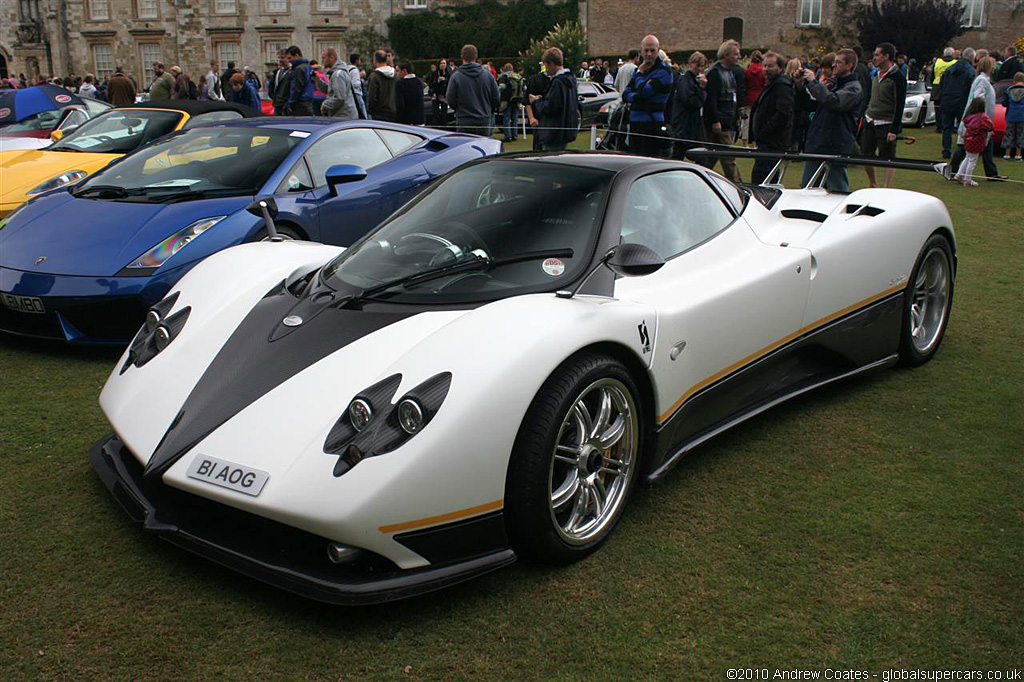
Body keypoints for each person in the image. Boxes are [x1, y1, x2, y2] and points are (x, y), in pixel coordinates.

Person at [799, 48, 864, 192]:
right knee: (807, 189)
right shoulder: (832, 85)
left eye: (838, 62)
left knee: (838, 190)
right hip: (818, 142)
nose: (834, 65)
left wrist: (813, 82)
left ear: (849, 66)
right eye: (834, 62)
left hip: (836, 144)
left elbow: (833, 102)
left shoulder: (853, 88)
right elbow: (812, 105)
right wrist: (800, 85)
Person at [950, 57, 1004, 181]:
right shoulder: (982, 81)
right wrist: (983, 118)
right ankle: (957, 173)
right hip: (978, 123)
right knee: (966, 150)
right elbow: (979, 97)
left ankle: (991, 173)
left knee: (983, 147)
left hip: (980, 121)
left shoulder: (984, 80)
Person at [861, 42, 907, 188]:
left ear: (887, 56)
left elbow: (900, 104)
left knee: (888, 157)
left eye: (877, 55)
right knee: (866, 153)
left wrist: (894, 129)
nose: (874, 58)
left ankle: (887, 187)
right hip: (870, 119)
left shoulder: (897, 77)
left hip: (886, 122)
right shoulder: (875, 74)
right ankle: (873, 183)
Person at [621, 35, 673, 158]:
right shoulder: (639, 71)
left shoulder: (664, 72)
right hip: (635, 124)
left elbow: (645, 92)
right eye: (646, 50)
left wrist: (640, 75)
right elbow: (625, 94)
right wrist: (637, 95)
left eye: (652, 50)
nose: (649, 54)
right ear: (641, 50)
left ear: (659, 49)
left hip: (652, 125)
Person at [749, 52, 794, 185]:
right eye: (765, 66)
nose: (766, 69)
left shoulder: (781, 86)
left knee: (762, 177)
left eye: (770, 66)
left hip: (772, 141)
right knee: (769, 177)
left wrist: (764, 131)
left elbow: (783, 114)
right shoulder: (773, 84)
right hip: (767, 140)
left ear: (780, 68)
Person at [703, 40, 742, 180]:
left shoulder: (728, 72)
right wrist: (715, 120)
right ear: (726, 55)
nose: (739, 57)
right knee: (728, 159)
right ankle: (738, 187)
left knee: (710, 159)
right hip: (719, 122)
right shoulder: (715, 73)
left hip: (725, 120)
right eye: (736, 54)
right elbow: (711, 99)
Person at [528, 47, 579, 151]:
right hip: (565, 131)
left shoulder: (558, 82)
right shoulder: (571, 80)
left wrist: (536, 102)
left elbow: (550, 108)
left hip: (553, 133)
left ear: (551, 64)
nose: (545, 70)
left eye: (546, 66)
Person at [446, 44, 500, 136]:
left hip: (464, 120)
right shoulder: (488, 75)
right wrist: (488, 109)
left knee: (466, 149)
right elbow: (496, 97)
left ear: (462, 56)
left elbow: (450, 100)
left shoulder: (456, 77)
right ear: (476, 56)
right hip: (483, 119)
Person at [668, 51, 708, 161]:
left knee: (700, 157)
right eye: (697, 65)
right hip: (685, 126)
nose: (699, 68)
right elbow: (692, 102)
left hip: (692, 126)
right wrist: (702, 89)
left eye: (702, 66)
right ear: (690, 64)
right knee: (679, 157)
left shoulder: (694, 81)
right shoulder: (685, 81)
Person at [938, 47, 975, 158]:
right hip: (962, 102)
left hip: (947, 99)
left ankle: (946, 150)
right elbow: (971, 88)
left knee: (947, 127)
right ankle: (961, 150)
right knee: (962, 126)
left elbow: (942, 85)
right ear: (971, 57)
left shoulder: (950, 69)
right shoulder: (970, 71)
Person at [953, 97, 993, 186]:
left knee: (967, 157)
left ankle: (959, 174)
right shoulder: (983, 117)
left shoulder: (968, 117)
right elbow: (990, 126)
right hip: (977, 141)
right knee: (972, 161)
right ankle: (967, 179)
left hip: (968, 140)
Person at [320, 48, 358, 120]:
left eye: (324, 58)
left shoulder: (338, 75)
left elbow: (339, 98)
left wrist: (325, 105)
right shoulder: (337, 73)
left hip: (343, 116)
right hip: (343, 115)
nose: (322, 61)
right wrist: (318, 81)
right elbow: (331, 90)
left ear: (331, 57)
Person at [524, 64, 552, 150]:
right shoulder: (536, 79)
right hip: (539, 122)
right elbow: (527, 100)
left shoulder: (559, 81)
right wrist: (531, 118)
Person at [367, 49, 397, 122]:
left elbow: (372, 96)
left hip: (379, 112)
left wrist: (370, 109)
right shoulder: (395, 74)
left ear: (375, 60)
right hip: (393, 110)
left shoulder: (374, 76)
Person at [1001, 72, 1024, 160]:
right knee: (1020, 134)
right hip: (1022, 116)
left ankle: (1007, 154)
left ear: (1014, 80)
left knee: (1009, 134)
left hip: (1011, 115)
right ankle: (1018, 155)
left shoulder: (1008, 90)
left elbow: (1004, 103)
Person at [497, 62, 523, 141]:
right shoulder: (518, 76)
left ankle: (508, 136)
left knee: (506, 118)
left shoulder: (504, 76)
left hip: (507, 100)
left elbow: (501, 87)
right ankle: (515, 135)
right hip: (517, 99)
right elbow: (524, 87)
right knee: (515, 118)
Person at [744, 50, 766, 143]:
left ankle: (745, 141)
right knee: (759, 120)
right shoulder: (763, 71)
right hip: (760, 97)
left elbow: (745, 84)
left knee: (746, 121)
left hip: (749, 97)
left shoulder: (747, 71)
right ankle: (756, 139)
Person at [428, 58, 451, 127]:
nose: (443, 65)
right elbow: (430, 84)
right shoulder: (434, 73)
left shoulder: (448, 74)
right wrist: (437, 81)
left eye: (444, 63)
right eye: (441, 63)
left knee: (444, 114)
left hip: (444, 96)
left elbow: (449, 85)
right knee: (435, 114)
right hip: (436, 94)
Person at [345, 54, 368, 119]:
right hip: (357, 92)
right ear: (356, 61)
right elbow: (355, 83)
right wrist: (360, 82)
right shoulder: (355, 70)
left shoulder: (347, 69)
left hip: (350, 93)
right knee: (362, 109)